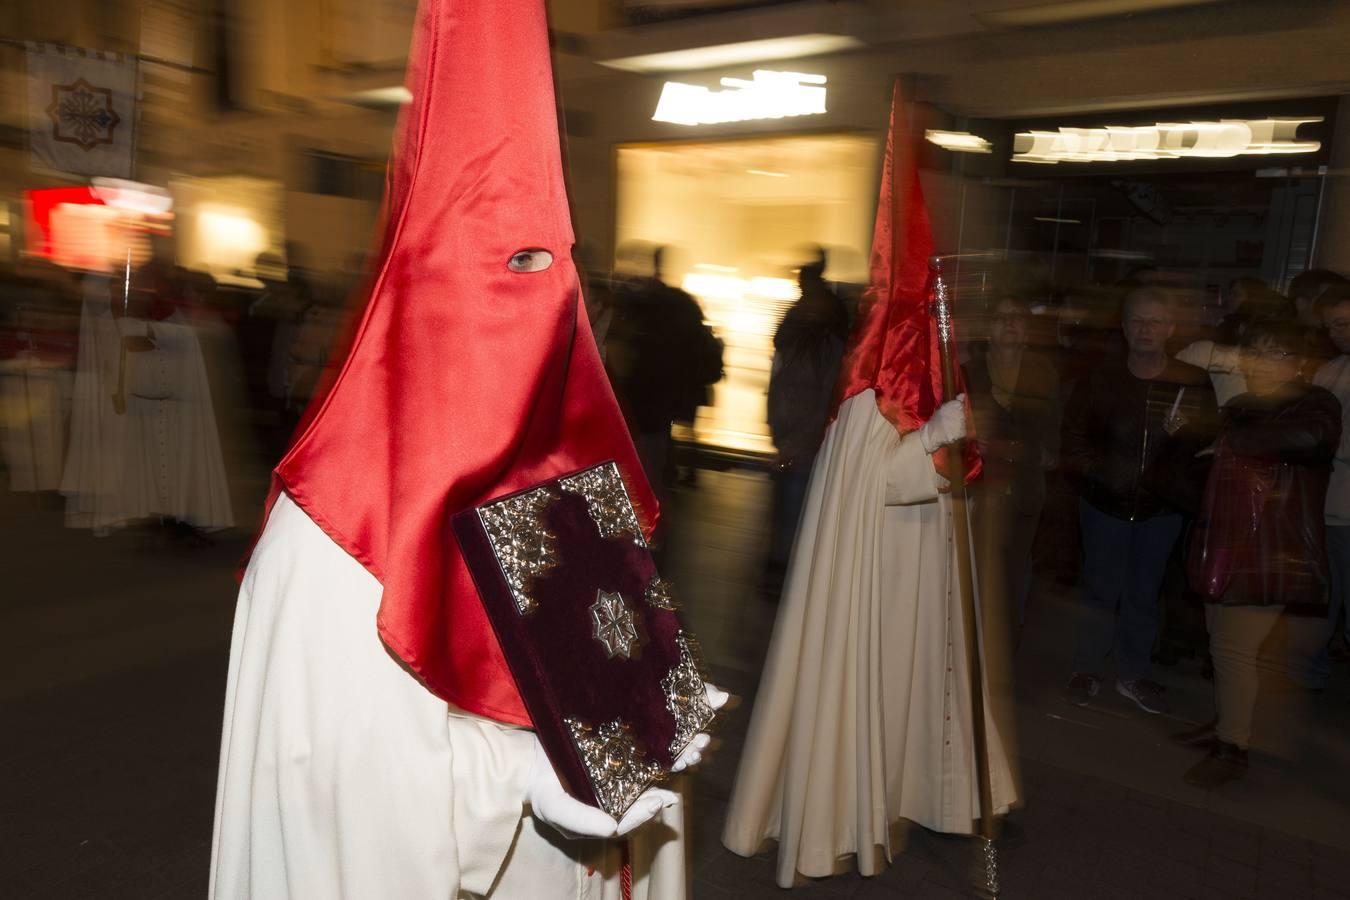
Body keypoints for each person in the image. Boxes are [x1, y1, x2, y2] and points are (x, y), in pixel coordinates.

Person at [209, 2, 722, 897]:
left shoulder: (566, 475)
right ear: (416, 295)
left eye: (553, 265)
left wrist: (652, 703)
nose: (540, 303)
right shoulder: (332, 536)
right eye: (508, 266)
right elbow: (337, 797)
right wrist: (517, 775)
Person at [722, 90, 1019, 887]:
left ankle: (915, 798)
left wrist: (952, 434)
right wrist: (939, 435)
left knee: (915, 690)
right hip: (878, 575)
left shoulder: (918, 374)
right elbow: (884, 482)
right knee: (874, 693)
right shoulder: (870, 392)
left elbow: (938, 477)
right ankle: (857, 808)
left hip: (917, 571)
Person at [1176, 320, 1340, 786]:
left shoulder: (1315, 403)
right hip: (1226, 540)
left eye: (1275, 354)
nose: (1261, 364)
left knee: (1233, 648)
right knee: (1221, 642)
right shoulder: (1242, 406)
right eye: (1255, 354)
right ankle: (1228, 721)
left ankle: (1234, 747)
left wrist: (1228, 443)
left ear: (1298, 363)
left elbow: (1308, 440)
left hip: (1272, 549)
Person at [1063, 287, 1216, 714]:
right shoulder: (1101, 377)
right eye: (1136, 320)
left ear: (1170, 328)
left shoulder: (1191, 380)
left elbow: (1209, 444)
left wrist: (1186, 432)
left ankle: (1133, 673)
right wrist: (1103, 475)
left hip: (1161, 508)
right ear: (1124, 326)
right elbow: (1073, 438)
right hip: (1103, 505)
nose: (1145, 329)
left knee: (1143, 593)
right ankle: (1087, 668)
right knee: (1099, 589)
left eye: (1155, 321)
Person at [966, 296, 1060, 635]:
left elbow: (1052, 431)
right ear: (988, 329)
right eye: (1001, 317)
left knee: (1014, 570)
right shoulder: (968, 370)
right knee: (975, 569)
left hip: (1024, 487)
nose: (1009, 323)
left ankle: (1006, 642)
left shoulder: (1043, 372)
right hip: (979, 485)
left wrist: (1029, 450)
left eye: (1017, 317)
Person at [763, 252, 848, 591]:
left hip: (803, 438)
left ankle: (786, 570)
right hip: (792, 435)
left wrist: (795, 438)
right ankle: (783, 568)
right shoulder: (803, 326)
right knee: (788, 504)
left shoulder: (821, 339)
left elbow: (823, 394)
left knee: (793, 506)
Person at [1314, 283, 1350, 662]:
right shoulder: (1328, 371)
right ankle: (1307, 688)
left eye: (1342, 324)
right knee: (1317, 610)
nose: (1335, 334)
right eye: (1330, 326)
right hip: (1324, 508)